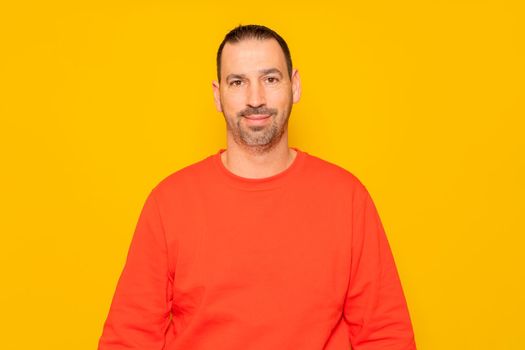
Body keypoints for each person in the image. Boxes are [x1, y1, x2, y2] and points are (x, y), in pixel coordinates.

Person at [98, 24, 417, 350]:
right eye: (238, 82)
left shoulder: (347, 198)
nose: (255, 99)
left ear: (294, 86)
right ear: (217, 94)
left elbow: (386, 335)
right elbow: (128, 339)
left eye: (270, 79)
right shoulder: (169, 203)